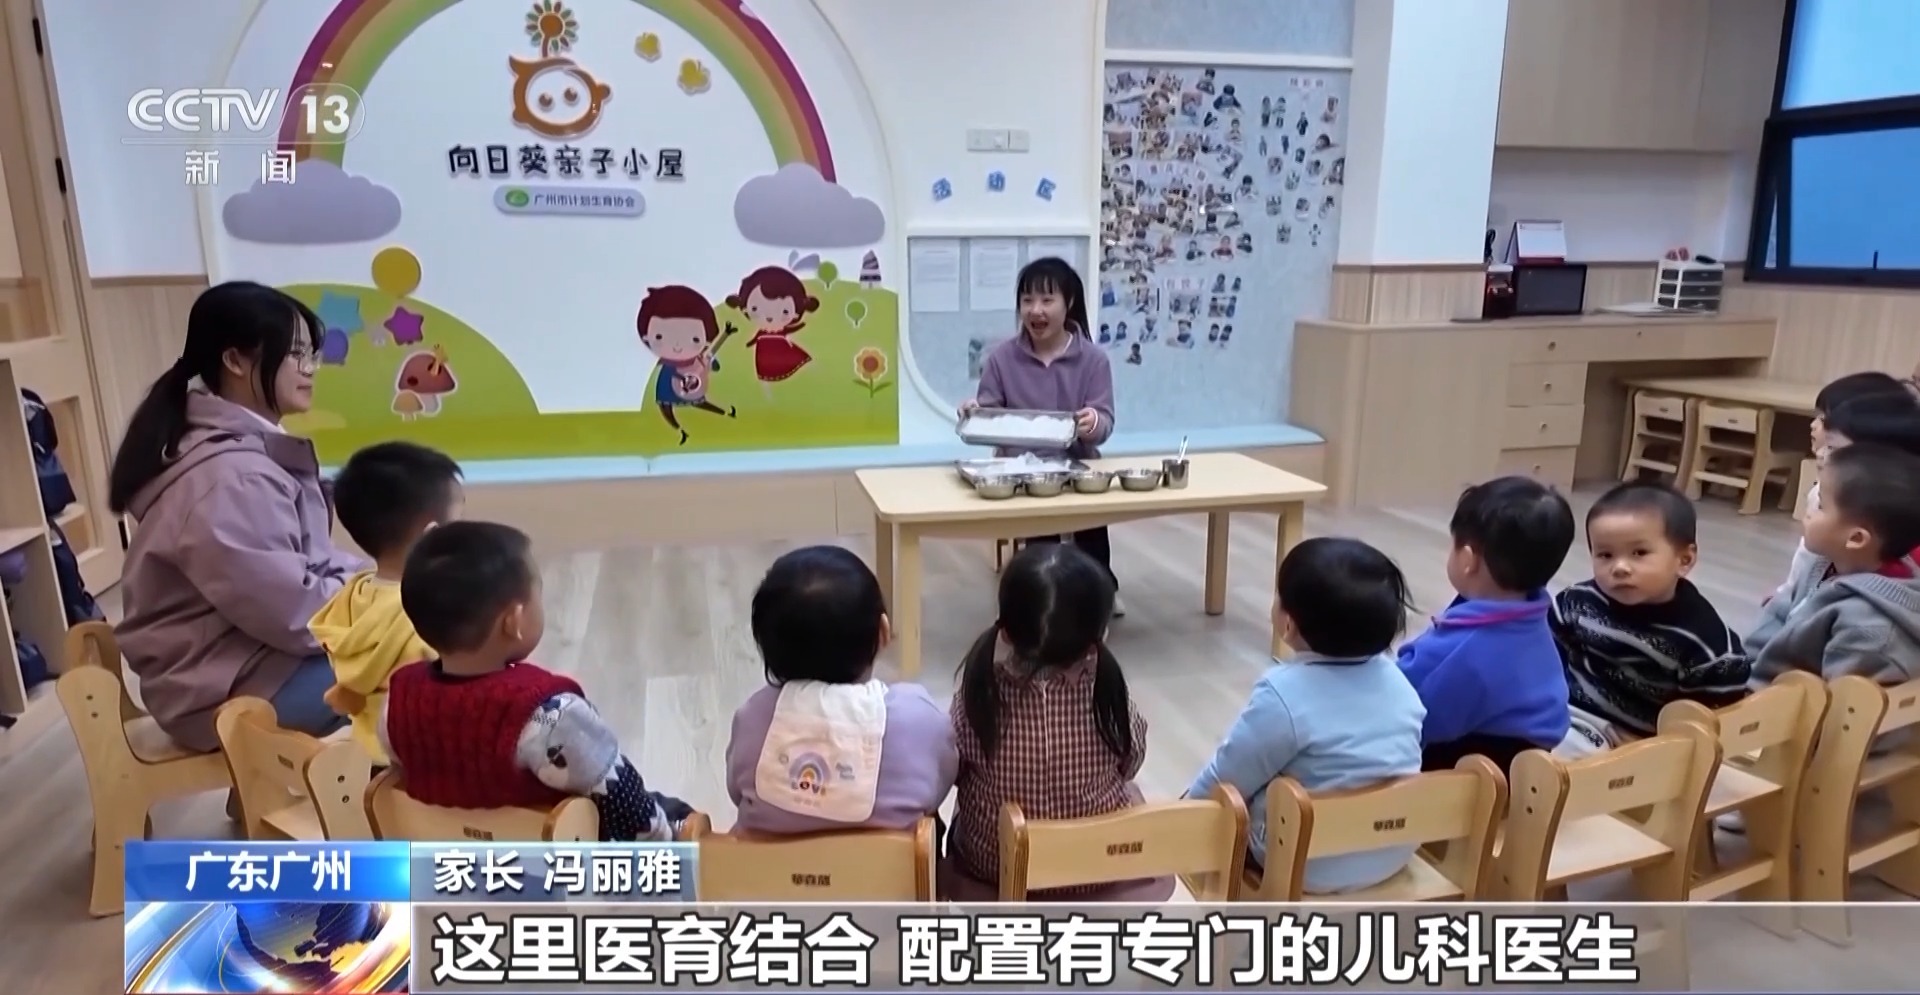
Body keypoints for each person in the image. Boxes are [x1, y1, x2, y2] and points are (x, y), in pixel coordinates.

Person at [109, 282, 365, 753]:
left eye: (311, 354)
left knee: (416, 638)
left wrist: (382, 586)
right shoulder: (234, 477)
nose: (309, 369)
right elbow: (296, 615)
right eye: (295, 354)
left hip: (238, 665)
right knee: (415, 663)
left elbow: (306, 568)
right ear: (235, 361)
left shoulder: (236, 452)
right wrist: (382, 603)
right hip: (221, 693)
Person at [377, 521, 690, 840]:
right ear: (513, 622)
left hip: (451, 854)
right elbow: (629, 810)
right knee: (669, 810)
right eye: (538, 591)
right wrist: (669, 841)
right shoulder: (552, 717)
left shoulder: (395, 706)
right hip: (556, 861)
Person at [1185, 537, 1425, 893]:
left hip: (1306, 864)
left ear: (1287, 625)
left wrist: (1184, 813)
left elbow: (1227, 777)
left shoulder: (1283, 694)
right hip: (1392, 847)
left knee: (1232, 807)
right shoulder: (1400, 683)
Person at [943, 543, 1160, 901]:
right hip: (1097, 869)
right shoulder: (1108, 693)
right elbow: (1131, 760)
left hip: (996, 869)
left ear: (1005, 632)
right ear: (1099, 636)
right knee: (1131, 793)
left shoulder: (979, 693)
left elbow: (953, 770)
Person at [727, 545, 957, 834]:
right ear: (883, 631)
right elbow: (940, 784)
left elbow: (736, 790)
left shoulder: (754, 716)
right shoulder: (918, 716)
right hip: (888, 865)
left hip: (765, 864)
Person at [957, 257, 1124, 613]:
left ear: (1069, 303)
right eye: (1027, 300)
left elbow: (1105, 420)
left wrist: (1093, 421)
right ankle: (1039, 600)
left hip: (1078, 467)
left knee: (1091, 526)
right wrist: (975, 412)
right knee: (1040, 539)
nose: (1036, 310)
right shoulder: (1002, 358)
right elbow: (989, 412)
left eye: (1047, 300)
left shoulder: (1094, 360)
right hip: (1020, 472)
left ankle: (1101, 591)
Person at [1553, 483, 1748, 758]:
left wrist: (1661, 749)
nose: (1620, 567)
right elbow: (1549, 653)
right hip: (1568, 710)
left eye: (1639, 553)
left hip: (1644, 744)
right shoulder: (1577, 602)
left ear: (1684, 560)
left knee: (1553, 761)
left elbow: (1709, 720)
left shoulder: (1705, 642)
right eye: (1605, 555)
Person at [1398, 477, 1576, 773]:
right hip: (1530, 758)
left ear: (1468, 559)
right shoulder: (1532, 617)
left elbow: (1407, 714)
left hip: (1477, 767)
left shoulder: (1461, 648)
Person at [308, 442, 464, 766]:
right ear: (432, 536)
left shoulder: (354, 595)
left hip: (367, 753)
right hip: (421, 766)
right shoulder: (429, 614)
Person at [1746, 443, 1920, 688]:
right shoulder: (1824, 562)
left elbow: (1845, 706)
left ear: (1856, 538)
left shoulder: (1871, 631)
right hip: (1754, 683)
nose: (1808, 511)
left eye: (1820, 506)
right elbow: (1778, 614)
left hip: (1784, 706)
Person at [1775, 389, 1920, 598]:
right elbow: (1791, 597)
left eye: (1833, 448)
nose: (1822, 453)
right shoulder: (1825, 559)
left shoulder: (1863, 610)